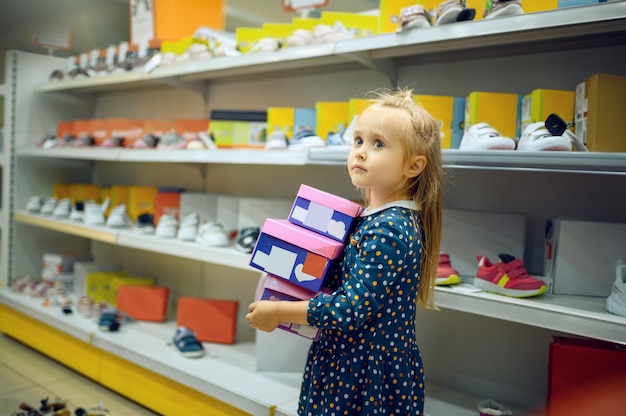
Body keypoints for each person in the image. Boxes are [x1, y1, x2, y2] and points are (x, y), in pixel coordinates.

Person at [246, 88, 443, 415]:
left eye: (378, 144)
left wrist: (279, 312)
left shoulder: (389, 228)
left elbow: (351, 308)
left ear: (414, 166)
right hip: (349, 364)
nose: (361, 153)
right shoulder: (370, 217)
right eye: (358, 141)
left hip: (361, 375)